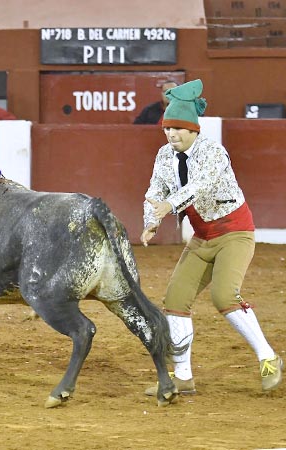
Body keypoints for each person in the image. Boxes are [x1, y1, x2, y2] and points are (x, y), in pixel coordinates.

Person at [141, 79, 283, 396]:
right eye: (167, 129)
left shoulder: (214, 152)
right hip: (202, 238)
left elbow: (198, 187)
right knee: (175, 300)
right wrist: (151, 221)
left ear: (194, 130)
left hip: (234, 233)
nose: (171, 135)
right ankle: (183, 377)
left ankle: (268, 357)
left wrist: (168, 206)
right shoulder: (164, 156)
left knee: (223, 296)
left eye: (177, 129)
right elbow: (153, 193)